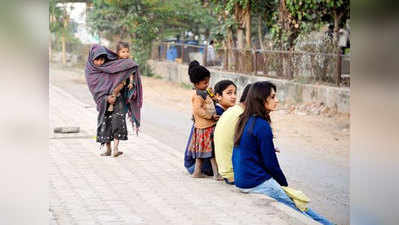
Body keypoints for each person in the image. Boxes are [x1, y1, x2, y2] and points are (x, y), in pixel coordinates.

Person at [232, 81, 334, 225]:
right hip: (255, 182)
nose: (277, 100)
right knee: (301, 210)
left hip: (241, 181)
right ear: (261, 99)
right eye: (273, 97)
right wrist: (284, 185)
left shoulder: (244, 120)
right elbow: (271, 164)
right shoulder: (262, 126)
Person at [85, 44, 143, 157]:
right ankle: (108, 149)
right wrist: (106, 98)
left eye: (103, 59)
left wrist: (123, 86)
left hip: (119, 98)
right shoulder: (90, 71)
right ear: (92, 58)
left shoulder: (112, 65)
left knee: (117, 121)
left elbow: (130, 66)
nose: (101, 62)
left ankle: (116, 148)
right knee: (105, 122)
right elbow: (95, 88)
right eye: (98, 59)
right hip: (104, 101)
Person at [186, 60, 222, 180]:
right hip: (205, 127)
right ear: (196, 84)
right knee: (211, 152)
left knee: (202, 154)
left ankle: (197, 172)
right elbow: (198, 110)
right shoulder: (198, 96)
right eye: (205, 83)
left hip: (204, 127)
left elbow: (212, 101)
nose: (207, 84)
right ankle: (216, 174)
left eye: (208, 82)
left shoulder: (204, 92)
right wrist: (210, 116)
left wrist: (212, 95)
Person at [214, 84, 251, 185]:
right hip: (232, 174)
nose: (234, 96)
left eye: (235, 93)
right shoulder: (242, 115)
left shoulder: (232, 110)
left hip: (225, 170)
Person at [115, 41, 143, 135]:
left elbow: (131, 73)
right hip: (117, 88)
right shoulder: (116, 63)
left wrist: (131, 82)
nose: (126, 53)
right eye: (123, 52)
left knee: (123, 106)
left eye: (127, 51)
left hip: (126, 87)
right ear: (118, 53)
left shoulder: (130, 63)